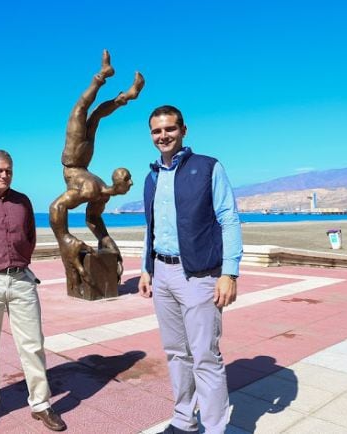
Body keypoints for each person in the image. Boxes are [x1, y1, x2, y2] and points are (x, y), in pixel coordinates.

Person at [137, 105, 243, 434]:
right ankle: (184, 419)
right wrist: (146, 268)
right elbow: (150, 227)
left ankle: (214, 428)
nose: (163, 136)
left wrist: (229, 272)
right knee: (175, 353)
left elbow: (229, 218)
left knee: (205, 357)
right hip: (163, 274)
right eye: (156, 131)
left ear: (183, 129)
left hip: (199, 276)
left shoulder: (208, 167)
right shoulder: (152, 176)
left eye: (169, 129)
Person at [0, 150, 67, 432]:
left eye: (8, 170)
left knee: (32, 345)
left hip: (21, 280)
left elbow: (29, 237)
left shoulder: (23, 201)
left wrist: (18, 263)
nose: (4, 175)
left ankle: (41, 404)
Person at [49, 49, 141, 293]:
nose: (131, 184)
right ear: (118, 184)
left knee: (86, 111)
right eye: (127, 179)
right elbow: (62, 209)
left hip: (76, 160)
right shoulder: (96, 189)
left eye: (128, 179)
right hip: (77, 161)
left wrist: (103, 239)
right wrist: (66, 238)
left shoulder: (97, 191)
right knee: (88, 111)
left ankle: (112, 83)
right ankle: (108, 81)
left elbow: (90, 218)